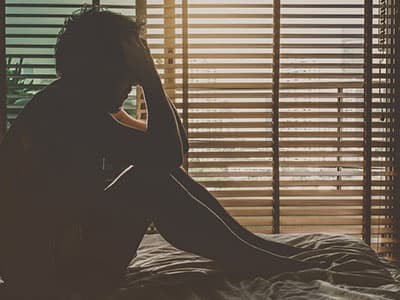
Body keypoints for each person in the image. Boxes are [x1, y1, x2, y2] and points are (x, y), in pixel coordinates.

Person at [0, 6, 322, 300]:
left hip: (63, 261)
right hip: (55, 276)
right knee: (150, 179)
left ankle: (257, 250)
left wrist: (149, 80)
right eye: (131, 65)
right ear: (105, 66)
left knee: (159, 171)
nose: (132, 81)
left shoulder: (75, 103)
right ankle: (254, 258)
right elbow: (168, 152)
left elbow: (175, 148)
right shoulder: (67, 109)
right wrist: (151, 80)